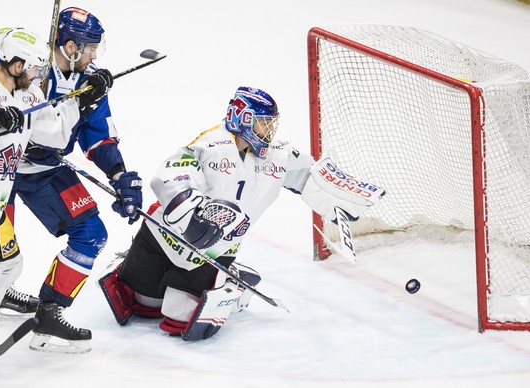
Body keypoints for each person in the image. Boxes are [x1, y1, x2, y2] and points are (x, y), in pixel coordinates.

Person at [98, 86, 385, 341]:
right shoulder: (210, 145)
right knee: (142, 303)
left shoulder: (279, 155)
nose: (269, 131)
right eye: (263, 123)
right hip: (165, 236)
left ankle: (232, 284)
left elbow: (311, 176)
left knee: (179, 316)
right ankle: (226, 278)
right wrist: (191, 213)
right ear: (243, 119)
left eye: (271, 123)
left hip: (212, 249)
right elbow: (171, 175)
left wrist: (341, 194)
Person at [0, 26, 107, 374]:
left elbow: (56, 136)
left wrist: (82, 99)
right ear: (16, 65)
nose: (38, 75)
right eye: (33, 67)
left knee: (7, 266)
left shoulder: (31, 94)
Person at [0, 7, 143, 354]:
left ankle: (49, 314)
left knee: (91, 234)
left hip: (44, 169)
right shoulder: (29, 68)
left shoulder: (90, 82)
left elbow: (98, 138)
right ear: (70, 45)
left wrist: (120, 174)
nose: (95, 55)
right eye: (91, 47)